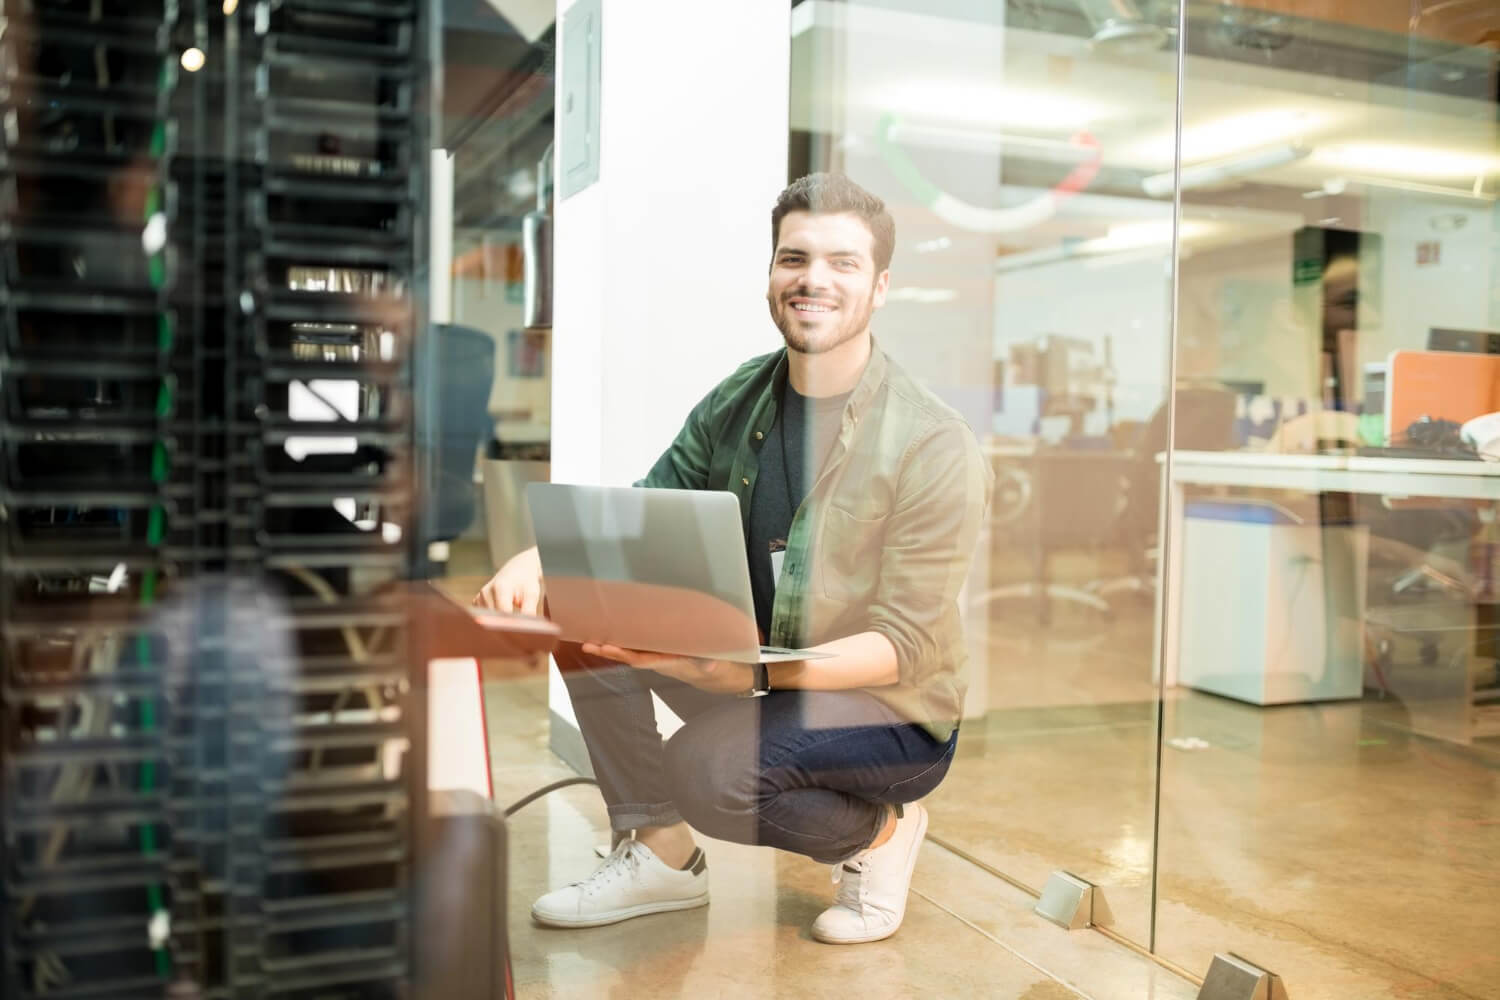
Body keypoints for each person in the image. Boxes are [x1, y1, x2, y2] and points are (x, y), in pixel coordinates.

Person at [475, 173, 990, 944]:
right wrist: (540, 558)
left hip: (891, 711)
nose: (813, 278)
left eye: (843, 263)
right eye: (795, 258)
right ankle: (661, 856)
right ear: (773, 273)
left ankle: (882, 835)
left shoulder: (931, 441)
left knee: (711, 773)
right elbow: (639, 519)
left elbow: (903, 646)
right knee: (580, 604)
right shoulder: (739, 400)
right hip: (761, 672)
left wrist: (748, 675)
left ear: (880, 287)